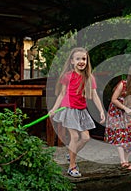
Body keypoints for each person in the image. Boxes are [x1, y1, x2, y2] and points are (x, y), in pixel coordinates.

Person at [49, 47, 105, 177]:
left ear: (87, 61)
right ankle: (72, 166)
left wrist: (101, 110)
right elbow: (62, 94)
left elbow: (95, 95)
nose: (81, 61)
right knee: (74, 137)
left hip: (81, 110)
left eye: (84, 59)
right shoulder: (67, 76)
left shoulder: (89, 77)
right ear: (72, 62)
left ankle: (71, 153)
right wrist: (54, 109)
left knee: (85, 138)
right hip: (69, 110)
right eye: (78, 58)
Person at [104, 63, 131, 170]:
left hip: (127, 113)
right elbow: (113, 99)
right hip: (116, 113)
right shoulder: (123, 84)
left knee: (128, 135)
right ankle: (122, 161)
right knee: (120, 135)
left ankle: (127, 161)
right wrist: (124, 108)